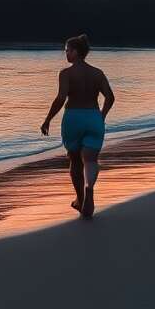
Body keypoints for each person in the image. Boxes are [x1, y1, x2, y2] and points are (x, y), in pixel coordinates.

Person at [40, 34, 115, 219]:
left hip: (73, 118)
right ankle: (89, 188)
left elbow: (60, 98)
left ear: (75, 52)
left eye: (67, 50)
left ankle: (80, 200)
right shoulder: (98, 73)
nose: (65, 53)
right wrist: (101, 117)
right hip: (93, 118)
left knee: (75, 160)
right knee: (90, 160)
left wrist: (47, 119)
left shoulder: (66, 73)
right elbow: (110, 98)